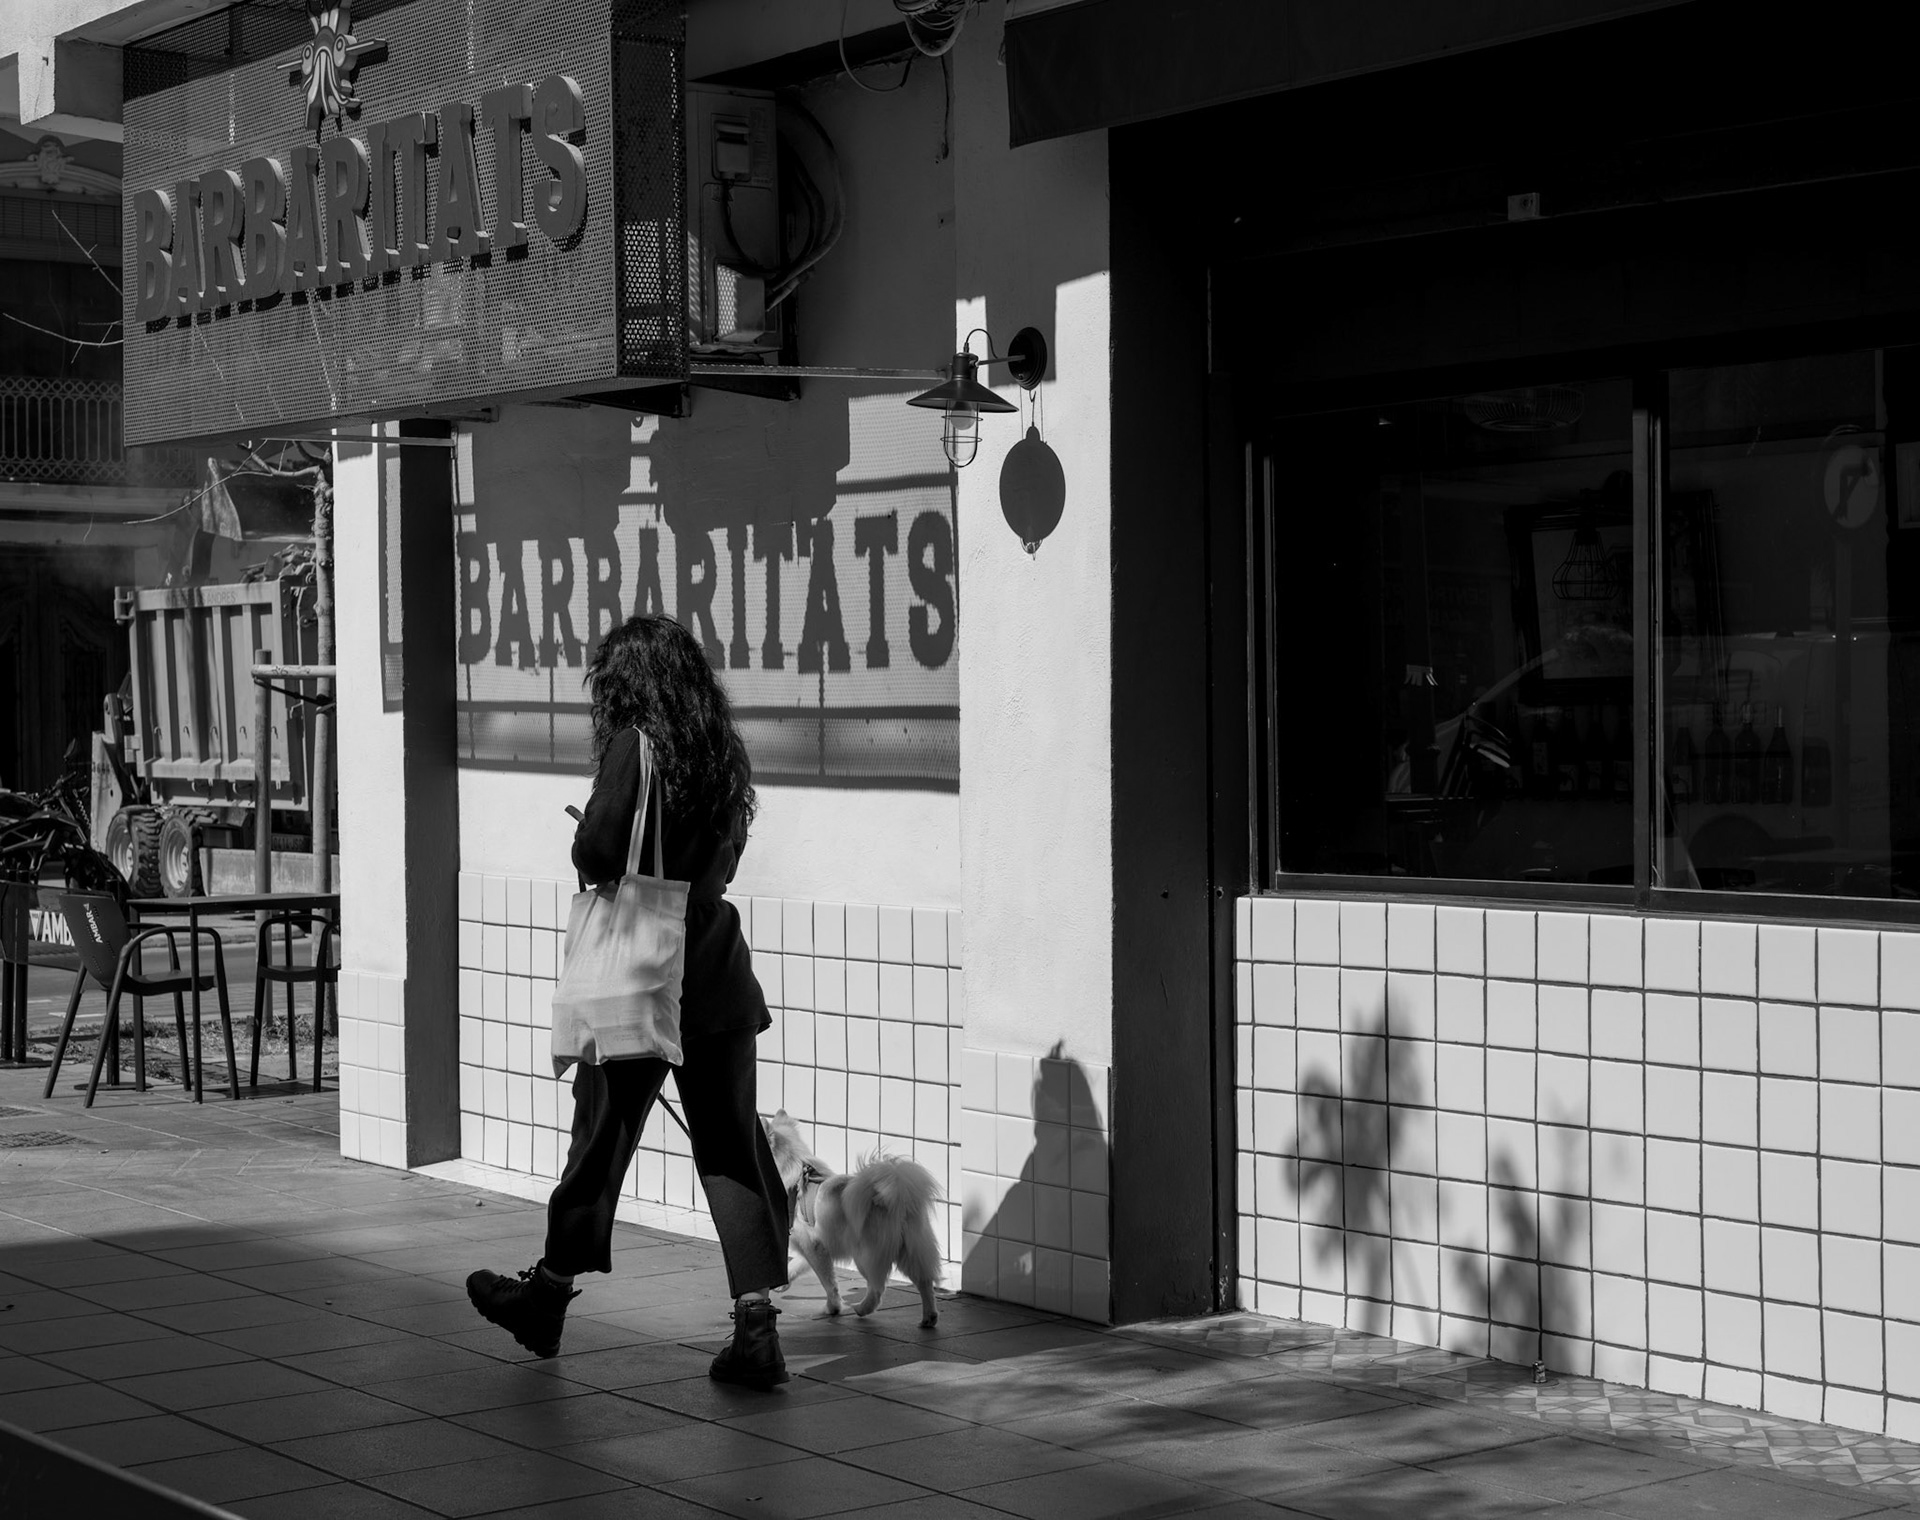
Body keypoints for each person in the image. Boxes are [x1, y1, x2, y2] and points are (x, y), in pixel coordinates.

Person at [466, 614, 792, 1388]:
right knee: (731, 1146)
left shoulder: (634, 747)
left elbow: (601, 850)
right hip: (715, 966)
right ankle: (757, 1327)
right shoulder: (719, 754)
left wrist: (586, 837)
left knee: (602, 1138)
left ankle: (544, 1300)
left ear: (625, 684)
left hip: (643, 969)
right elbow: (725, 860)